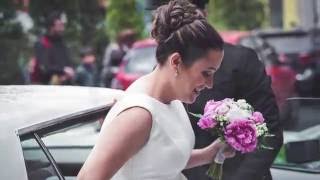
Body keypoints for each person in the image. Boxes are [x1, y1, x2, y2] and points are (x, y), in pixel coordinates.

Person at [77, 0, 235, 179]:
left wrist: (209, 154)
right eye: (206, 73)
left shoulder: (171, 98)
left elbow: (159, 161)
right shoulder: (138, 116)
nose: (210, 84)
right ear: (176, 62)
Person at [145, 0, 283, 180]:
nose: (208, 83)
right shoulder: (163, 75)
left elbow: (269, 130)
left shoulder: (241, 61)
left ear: (204, 14)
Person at [31, 11, 74, 85]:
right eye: (60, 25)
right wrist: (63, 70)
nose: (62, 29)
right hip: (45, 88)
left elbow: (68, 65)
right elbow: (45, 68)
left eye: (63, 25)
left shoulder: (62, 44)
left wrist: (67, 74)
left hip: (64, 87)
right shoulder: (43, 43)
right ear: (51, 26)